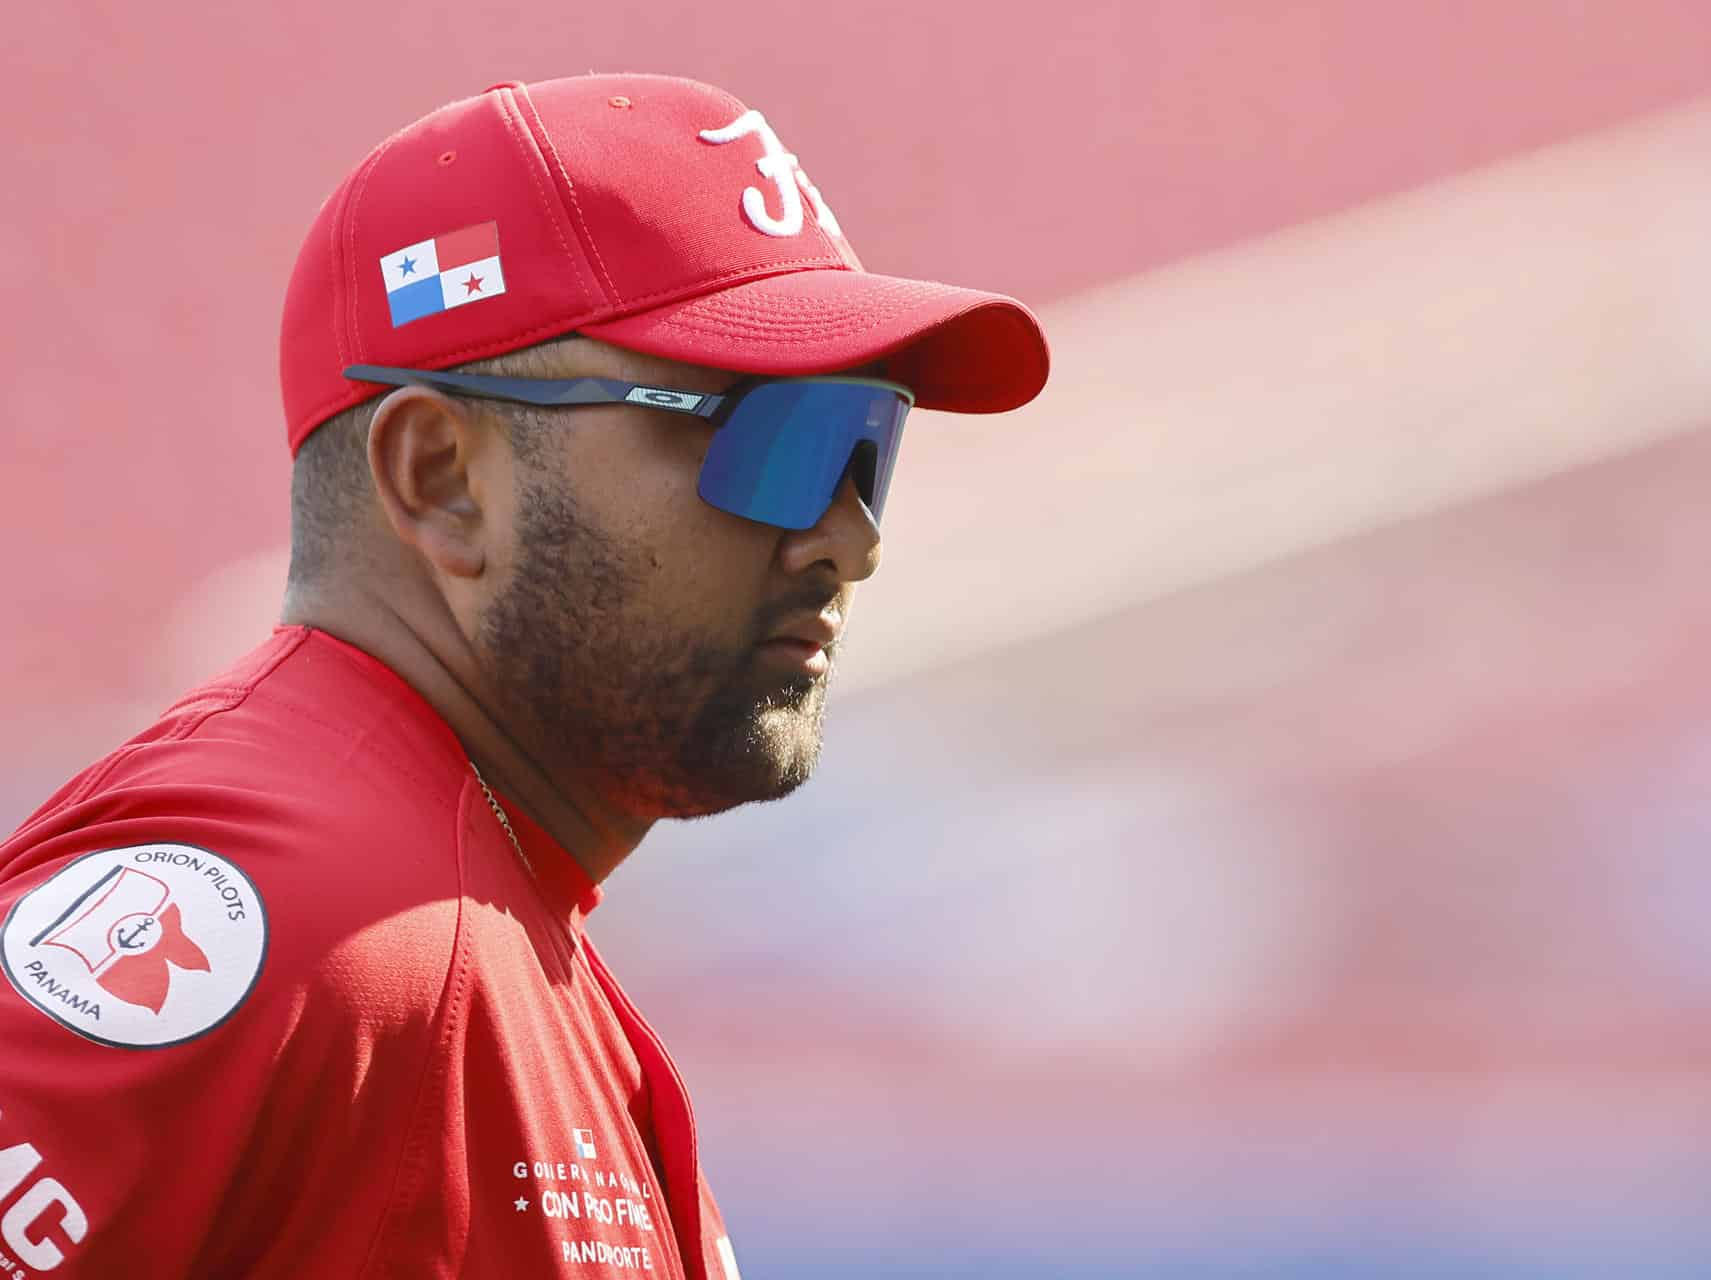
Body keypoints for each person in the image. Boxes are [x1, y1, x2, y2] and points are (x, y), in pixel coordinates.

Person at [0, 73, 1047, 1278]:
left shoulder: (462, 917)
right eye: (769, 438)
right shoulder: (301, 915)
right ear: (443, 476)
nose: (850, 537)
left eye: (869, 443)